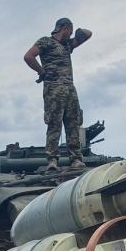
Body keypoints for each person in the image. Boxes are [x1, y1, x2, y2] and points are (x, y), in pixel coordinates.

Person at [25, 17, 92, 173]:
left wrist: (78, 31)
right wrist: (41, 71)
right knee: (54, 124)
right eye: (70, 30)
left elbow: (88, 34)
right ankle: (52, 160)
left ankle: (75, 159)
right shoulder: (46, 42)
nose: (70, 34)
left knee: (73, 123)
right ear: (65, 28)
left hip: (69, 89)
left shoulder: (67, 45)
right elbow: (28, 56)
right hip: (53, 88)